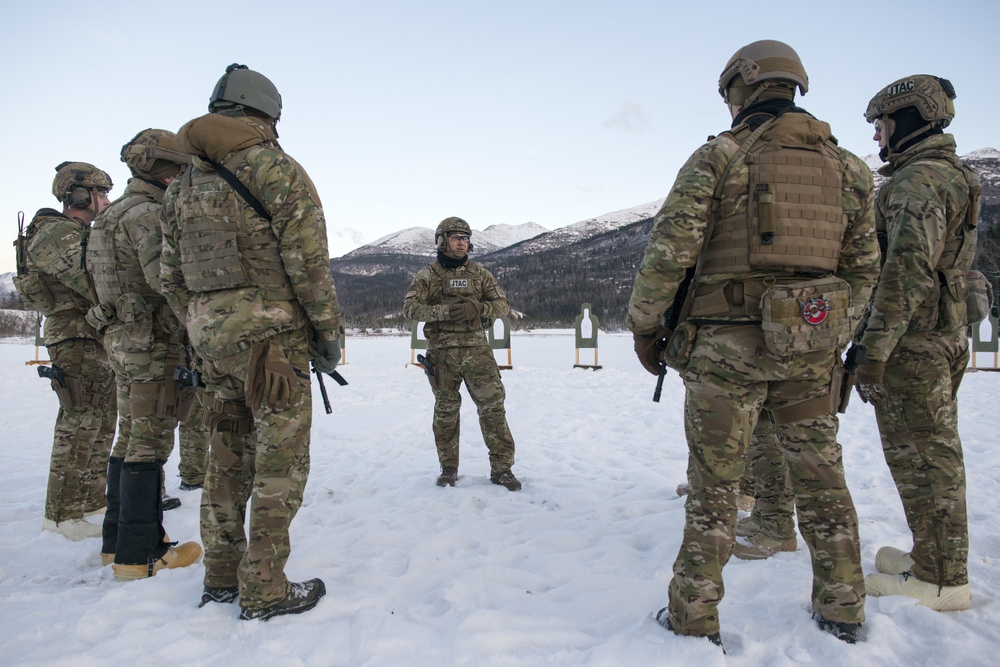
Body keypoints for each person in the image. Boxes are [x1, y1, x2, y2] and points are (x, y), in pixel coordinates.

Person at [626, 40, 880, 647]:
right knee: (822, 481)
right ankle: (843, 607)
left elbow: (669, 252)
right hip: (812, 353)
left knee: (715, 486)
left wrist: (645, 326)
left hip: (724, 349)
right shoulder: (849, 169)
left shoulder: (721, 156)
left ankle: (693, 616)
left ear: (741, 86)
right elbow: (865, 268)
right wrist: (824, 330)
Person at [160, 63, 343, 621]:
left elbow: (170, 278)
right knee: (279, 464)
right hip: (273, 346)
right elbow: (309, 266)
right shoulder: (275, 169)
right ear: (265, 115)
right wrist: (327, 336)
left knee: (224, 459)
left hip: (211, 343)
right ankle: (263, 589)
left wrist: (204, 324)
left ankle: (220, 576)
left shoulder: (183, 187)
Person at [855, 74, 980, 611]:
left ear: (907, 118)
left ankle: (941, 578)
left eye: (882, 125)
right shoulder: (952, 175)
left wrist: (873, 351)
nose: (878, 139)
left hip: (915, 343)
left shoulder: (916, 183)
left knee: (924, 458)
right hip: (942, 335)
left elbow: (905, 273)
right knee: (928, 453)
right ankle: (930, 556)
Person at [86, 129, 203, 579]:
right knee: (150, 444)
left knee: (130, 438)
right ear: (166, 170)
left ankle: (116, 543)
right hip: (152, 345)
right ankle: (142, 553)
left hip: (122, 341)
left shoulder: (112, 214)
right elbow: (166, 280)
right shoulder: (149, 215)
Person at [14, 162, 118, 541]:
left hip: (91, 338)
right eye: (101, 193)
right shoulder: (56, 234)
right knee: (79, 424)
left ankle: (90, 502)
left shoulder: (76, 233)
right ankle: (61, 515)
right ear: (78, 195)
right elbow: (92, 281)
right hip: (75, 340)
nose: (106, 200)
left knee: (101, 422)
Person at [402, 217, 521, 491]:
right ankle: (448, 468)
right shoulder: (428, 275)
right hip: (443, 355)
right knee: (446, 411)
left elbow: (502, 305)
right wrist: (443, 312)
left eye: (466, 238)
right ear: (442, 240)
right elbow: (410, 309)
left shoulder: (480, 274)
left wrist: (478, 309)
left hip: (478, 352)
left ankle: (502, 470)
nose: (462, 242)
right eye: (456, 237)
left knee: (493, 408)